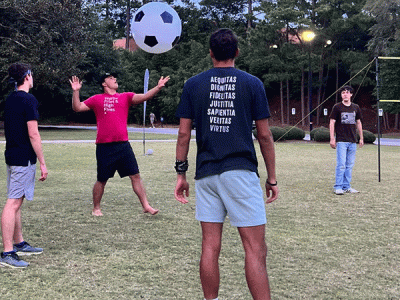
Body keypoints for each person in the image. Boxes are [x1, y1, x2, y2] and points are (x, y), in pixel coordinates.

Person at [174, 29, 279, 300]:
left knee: (210, 246)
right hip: (240, 172)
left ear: (210, 53)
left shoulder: (193, 84)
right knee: (255, 249)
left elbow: (184, 133)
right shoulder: (252, 83)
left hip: (206, 175)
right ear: (237, 52)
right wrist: (272, 178)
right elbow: (265, 135)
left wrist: (181, 173)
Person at [70, 72, 169, 216]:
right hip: (105, 146)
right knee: (102, 180)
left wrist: (158, 87)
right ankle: (96, 208)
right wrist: (76, 91)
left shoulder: (125, 97)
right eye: (111, 78)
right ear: (104, 84)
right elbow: (77, 107)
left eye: (114, 78)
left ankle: (146, 206)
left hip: (123, 145)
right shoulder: (97, 99)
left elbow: (145, 96)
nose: (115, 79)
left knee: (135, 176)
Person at [0, 63, 48, 268]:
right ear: (27, 76)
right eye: (32, 74)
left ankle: (18, 243)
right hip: (22, 159)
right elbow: (33, 133)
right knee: (13, 203)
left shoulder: (10, 99)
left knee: (17, 200)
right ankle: (7, 252)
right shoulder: (28, 99)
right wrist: (43, 163)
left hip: (12, 156)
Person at [329, 85, 363, 195]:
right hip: (341, 140)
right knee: (341, 164)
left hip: (352, 141)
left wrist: (361, 138)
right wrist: (332, 138)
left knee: (349, 165)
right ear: (341, 95)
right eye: (343, 92)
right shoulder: (337, 107)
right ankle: (338, 186)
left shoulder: (356, 107)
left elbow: (358, 122)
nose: (345, 94)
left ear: (351, 94)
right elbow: (332, 122)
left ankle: (346, 186)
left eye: (347, 92)